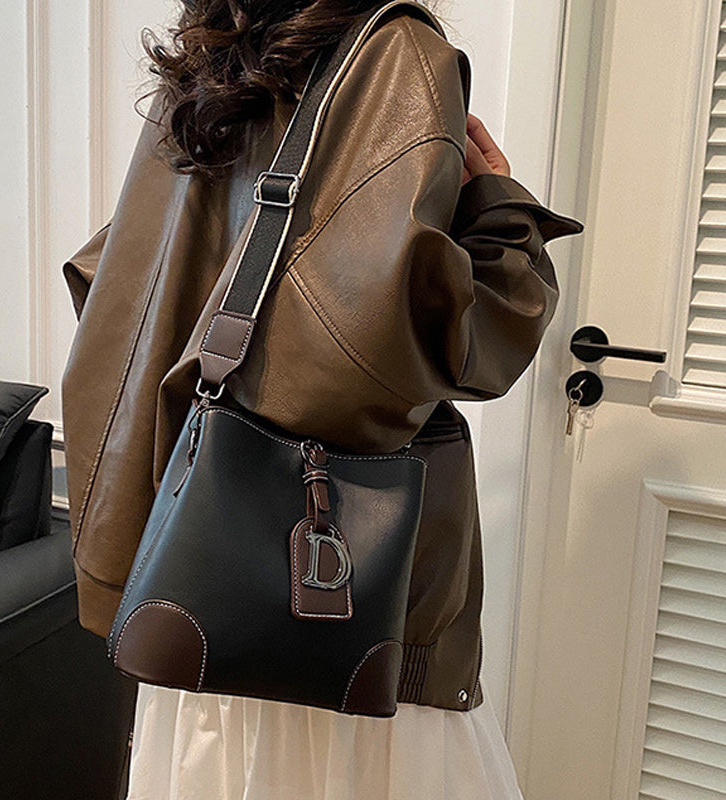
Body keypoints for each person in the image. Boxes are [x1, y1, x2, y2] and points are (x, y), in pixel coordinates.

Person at [60, 1, 584, 798]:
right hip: (333, 614)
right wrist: (503, 215)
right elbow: (418, 342)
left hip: (193, 577)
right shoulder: (397, 51)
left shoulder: (210, 58)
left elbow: (117, 285)